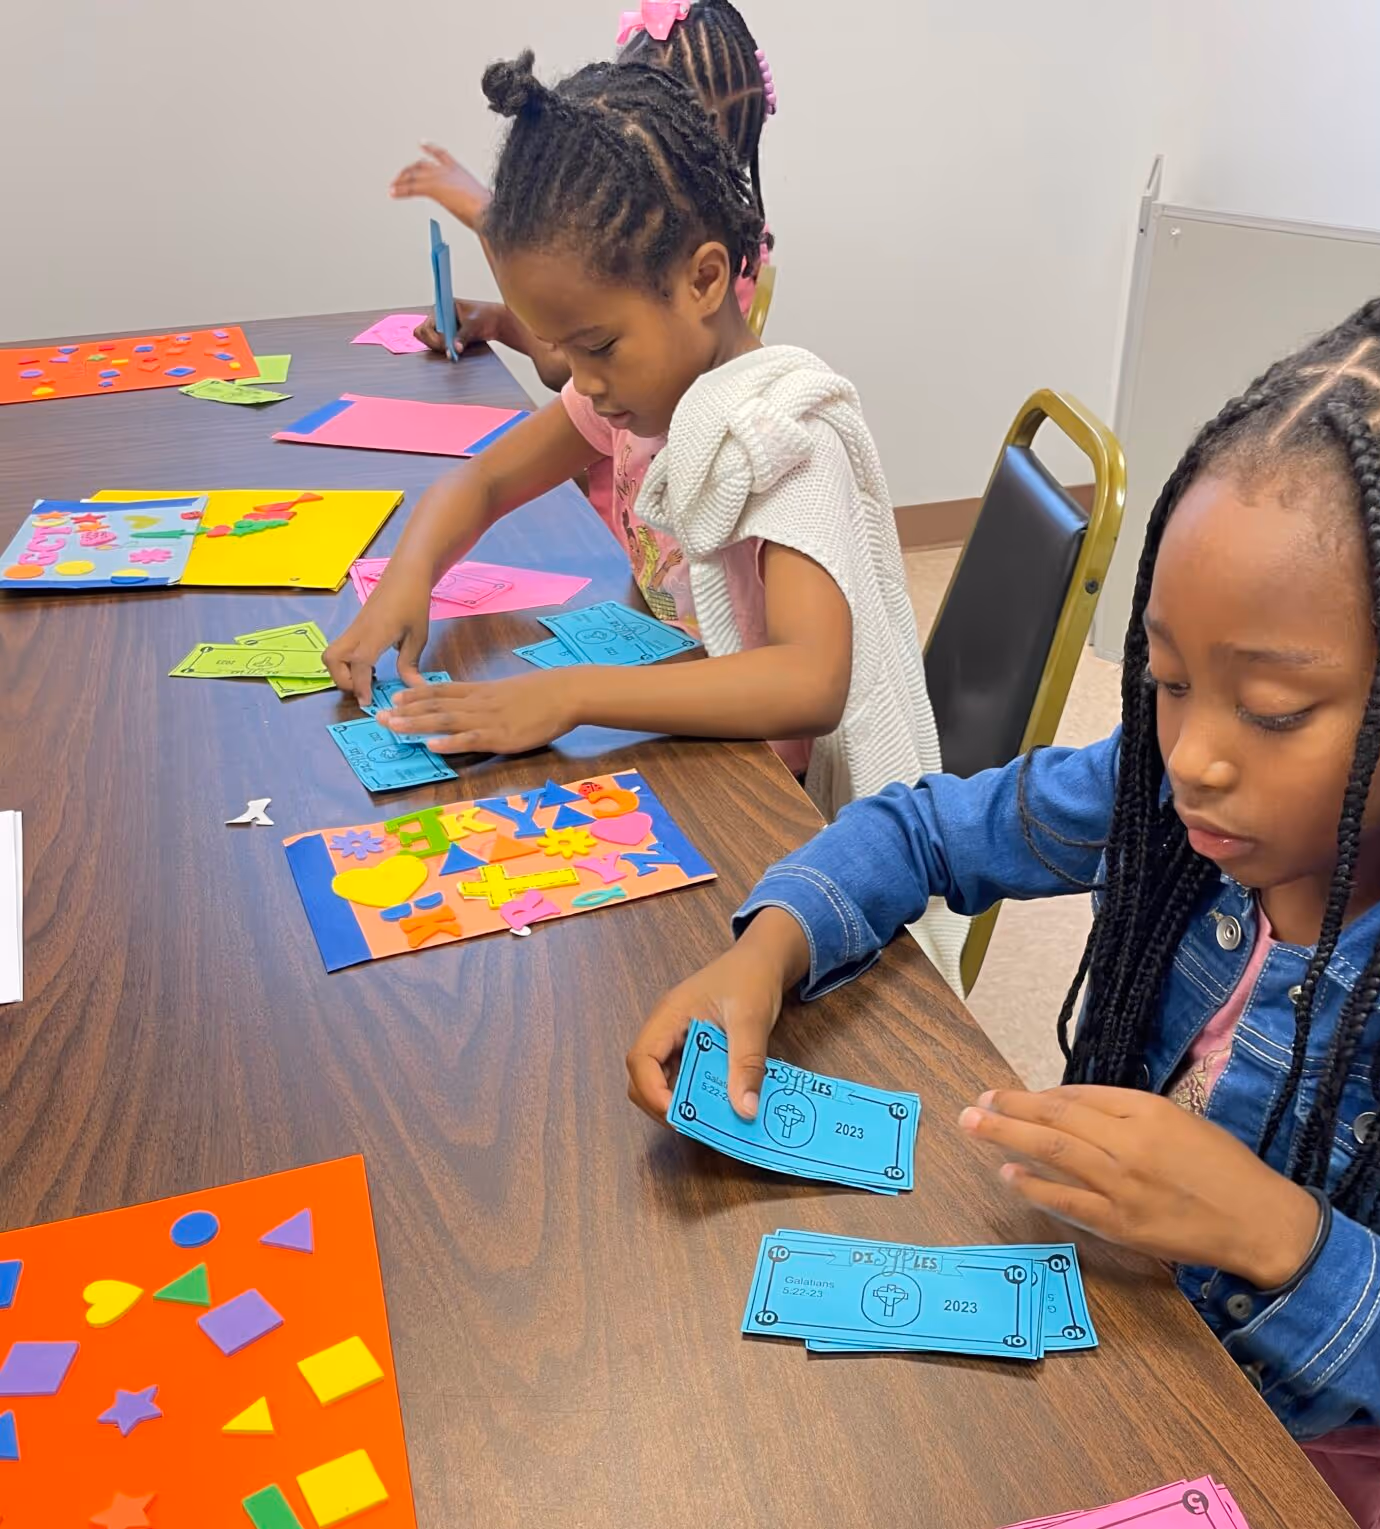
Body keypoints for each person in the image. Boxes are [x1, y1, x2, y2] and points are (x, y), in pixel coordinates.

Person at [627, 296, 1380, 1529]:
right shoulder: (1170, 797)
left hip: (1304, 1474)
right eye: (1164, 679)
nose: (1194, 756)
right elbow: (928, 832)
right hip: (1099, 1320)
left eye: (1274, 708)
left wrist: (1277, 1235)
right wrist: (765, 946)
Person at [328, 52, 953, 972]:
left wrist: (568, 694)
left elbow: (808, 683)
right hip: (696, 755)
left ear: (704, 281)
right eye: (563, 352)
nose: (583, 384)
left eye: (598, 346)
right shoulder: (641, 392)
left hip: (781, 818)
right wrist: (408, 580)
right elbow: (483, 482)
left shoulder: (783, 438)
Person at [391, 0, 776, 383]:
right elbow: (580, 348)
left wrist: (486, 217)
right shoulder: (705, 242)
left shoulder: (703, 261)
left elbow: (562, 369)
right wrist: (496, 321)